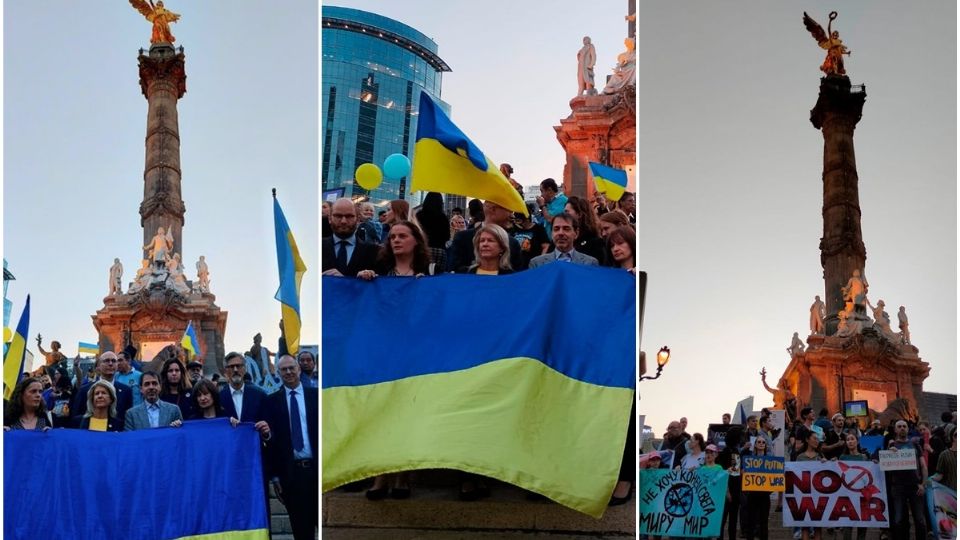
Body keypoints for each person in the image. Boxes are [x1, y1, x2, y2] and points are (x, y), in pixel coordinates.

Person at [264, 356, 318, 540]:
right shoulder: (271, 402)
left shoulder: (316, 396)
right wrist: (276, 476)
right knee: (302, 531)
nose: (288, 372)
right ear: (278, 373)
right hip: (293, 476)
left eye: (291, 368)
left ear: (299, 369)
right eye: (283, 370)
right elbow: (271, 445)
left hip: (317, 470)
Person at [447, 200, 523, 272]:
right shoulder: (463, 238)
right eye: (509, 210)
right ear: (492, 209)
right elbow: (454, 270)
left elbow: (517, 278)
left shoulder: (513, 243)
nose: (512, 215)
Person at [886, 420, 926, 540]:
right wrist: (889, 451)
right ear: (895, 430)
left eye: (904, 426)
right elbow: (883, 463)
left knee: (920, 520)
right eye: (899, 426)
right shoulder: (890, 445)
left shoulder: (915, 445)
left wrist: (923, 484)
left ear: (908, 429)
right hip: (898, 487)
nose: (902, 428)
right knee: (899, 520)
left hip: (915, 486)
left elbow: (923, 466)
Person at [322, 199, 380, 278]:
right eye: (338, 216)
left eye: (349, 216)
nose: (343, 221)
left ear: (358, 219)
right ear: (329, 219)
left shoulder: (374, 252)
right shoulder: (316, 248)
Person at [358, 220, 435, 279]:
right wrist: (362, 280)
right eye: (392, 237)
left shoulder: (431, 271)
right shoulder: (378, 271)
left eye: (402, 236)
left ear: (417, 240)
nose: (396, 240)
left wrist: (428, 285)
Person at [70, 352, 134, 421]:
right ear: (98, 367)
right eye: (106, 361)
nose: (110, 364)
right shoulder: (85, 390)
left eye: (113, 361)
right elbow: (76, 416)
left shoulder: (126, 391)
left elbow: (128, 419)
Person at [529, 213, 600, 268]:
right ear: (551, 233)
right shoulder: (537, 264)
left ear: (576, 233)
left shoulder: (590, 263)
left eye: (566, 229)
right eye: (556, 229)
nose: (561, 233)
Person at [219, 352, 269, 424]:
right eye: (231, 366)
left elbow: (269, 424)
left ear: (245, 369)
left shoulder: (260, 395)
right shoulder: (219, 398)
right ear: (225, 371)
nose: (235, 370)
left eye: (238, 366)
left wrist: (267, 434)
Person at [838, 432, 869, 540]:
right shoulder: (842, 457)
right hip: (848, 495)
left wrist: (874, 463)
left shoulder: (864, 457)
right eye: (848, 440)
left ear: (857, 441)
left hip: (862, 495)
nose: (850, 441)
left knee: (863, 523)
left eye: (852, 439)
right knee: (848, 523)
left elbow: (869, 475)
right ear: (846, 443)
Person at [742, 438, 772, 540]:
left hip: (764, 496)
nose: (761, 443)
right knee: (751, 523)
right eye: (759, 442)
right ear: (755, 445)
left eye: (763, 442)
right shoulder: (749, 459)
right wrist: (743, 473)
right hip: (752, 495)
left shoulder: (770, 460)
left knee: (764, 523)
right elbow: (742, 475)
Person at [508, 202, 550, 270]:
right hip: (516, 266)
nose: (517, 224)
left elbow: (545, 246)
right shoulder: (514, 229)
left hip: (532, 265)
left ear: (527, 220)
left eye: (519, 221)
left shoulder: (538, 229)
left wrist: (540, 261)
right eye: (516, 221)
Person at [564, 196, 605, 263]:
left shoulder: (595, 243)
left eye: (567, 212)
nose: (563, 215)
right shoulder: (562, 239)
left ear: (579, 214)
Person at [416, 192, 450, 270]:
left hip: (422, 249)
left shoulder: (419, 215)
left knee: (420, 272)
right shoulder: (443, 217)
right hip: (439, 250)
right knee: (438, 275)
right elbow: (447, 236)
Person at [536, 178, 568, 243]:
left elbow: (550, 219)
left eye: (542, 191)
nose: (541, 195)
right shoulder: (550, 203)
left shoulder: (562, 200)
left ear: (549, 190)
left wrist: (542, 206)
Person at [931, 426, 956, 491]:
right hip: (950, 492)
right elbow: (939, 474)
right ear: (952, 437)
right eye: (956, 435)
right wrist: (928, 480)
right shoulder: (944, 454)